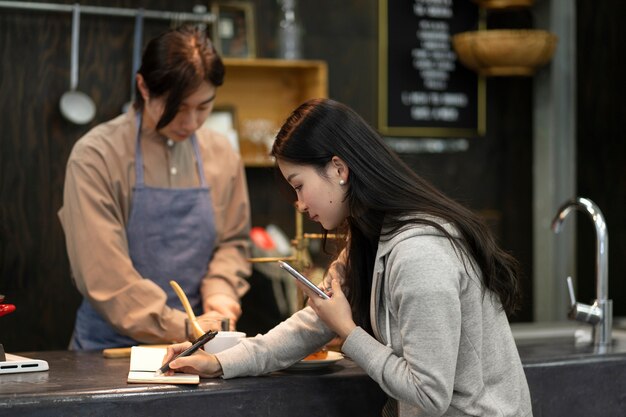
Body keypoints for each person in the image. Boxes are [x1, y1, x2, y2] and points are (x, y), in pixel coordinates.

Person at [162, 98, 533, 416]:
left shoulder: (421, 254)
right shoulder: (369, 237)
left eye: (299, 185)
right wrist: (219, 363)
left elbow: (429, 394)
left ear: (339, 169)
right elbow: (311, 324)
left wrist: (348, 331)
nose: (300, 204)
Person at [58, 26, 251, 350]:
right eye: (176, 107)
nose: (190, 123)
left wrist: (220, 293)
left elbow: (232, 243)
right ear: (143, 87)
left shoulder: (222, 155)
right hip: (109, 350)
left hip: (197, 347)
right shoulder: (96, 156)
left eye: (203, 107)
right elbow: (103, 275)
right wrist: (183, 325)